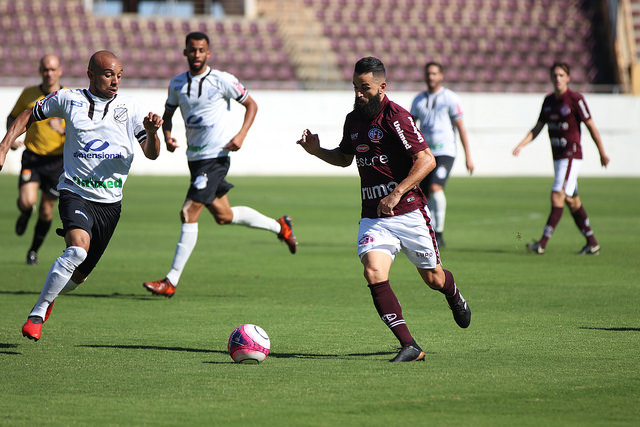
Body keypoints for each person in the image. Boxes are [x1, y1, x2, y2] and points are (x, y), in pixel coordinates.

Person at [297, 57, 471, 363]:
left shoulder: (396, 117)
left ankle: (454, 295)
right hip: (374, 217)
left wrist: (397, 192)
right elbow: (344, 158)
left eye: (365, 88)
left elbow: (427, 160)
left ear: (382, 87)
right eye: (355, 87)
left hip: (409, 212)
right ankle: (410, 346)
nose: (359, 93)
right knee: (373, 270)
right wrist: (316, 151)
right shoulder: (353, 120)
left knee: (433, 279)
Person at [0, 50, 163, 341]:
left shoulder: (131, 107)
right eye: (108, 74)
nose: (115, 81)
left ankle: (50, 298)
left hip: (110, 205)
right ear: (91, 75)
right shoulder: (68, 99)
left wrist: (151, 133)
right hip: (74, 191)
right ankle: (37, 313)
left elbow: (151, 154)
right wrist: (4, 146)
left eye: (119, 75)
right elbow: (28, 114)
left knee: (78, 278)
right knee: (76, 249)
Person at [142, 32, 297, 298]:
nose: (197, 55)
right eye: (192, 50)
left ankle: (171, 281)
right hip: (194, 159)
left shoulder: (222, 80)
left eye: (201, 50)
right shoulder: (177, 83)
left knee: (188, 212)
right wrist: (167, 137)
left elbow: (251, 105)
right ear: (185, 52)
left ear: (208, 53)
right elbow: (168, 115)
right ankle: (280, 226)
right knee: (224, 215)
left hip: (216, 157)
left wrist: (241, 135)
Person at [513, 61, 610, 255]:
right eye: (555, 75)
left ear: (568, 78)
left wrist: (602, 152)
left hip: (571, 155)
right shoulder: (549, 101)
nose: (558, 79)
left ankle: (541, 243)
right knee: (573, 201)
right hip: (558, 159)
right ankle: (592, 242)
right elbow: (538, 127)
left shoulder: (575, 99)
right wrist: (521, 144)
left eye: (561, 75)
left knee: (557, 194)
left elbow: (591, 127)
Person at [7, 55, 66, 265]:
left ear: (60, 70)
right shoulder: (29, 93)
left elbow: (81, 133)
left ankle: (33, 250)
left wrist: (62, 131)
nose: (49, 73)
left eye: (52, 69)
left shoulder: (68, 97)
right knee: (27, 201)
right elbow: (13, 117)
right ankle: (24, 212)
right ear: (40, 70)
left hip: (57, 162)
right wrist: (12, 139)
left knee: (46, 210)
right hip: (32, 157)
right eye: (45, 69)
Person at [410, 61, 474, 248]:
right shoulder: (418, 100)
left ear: (441, 76)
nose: (431, 77)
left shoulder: (450, 98)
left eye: (434, 73)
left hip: (445, 152)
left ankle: (439, 233)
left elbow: (461, 128)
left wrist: (468, 156)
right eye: (428, 74)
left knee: (436, 188)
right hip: (425, 154)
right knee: (424, 193)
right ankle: (429, 231)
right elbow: (411, 130)